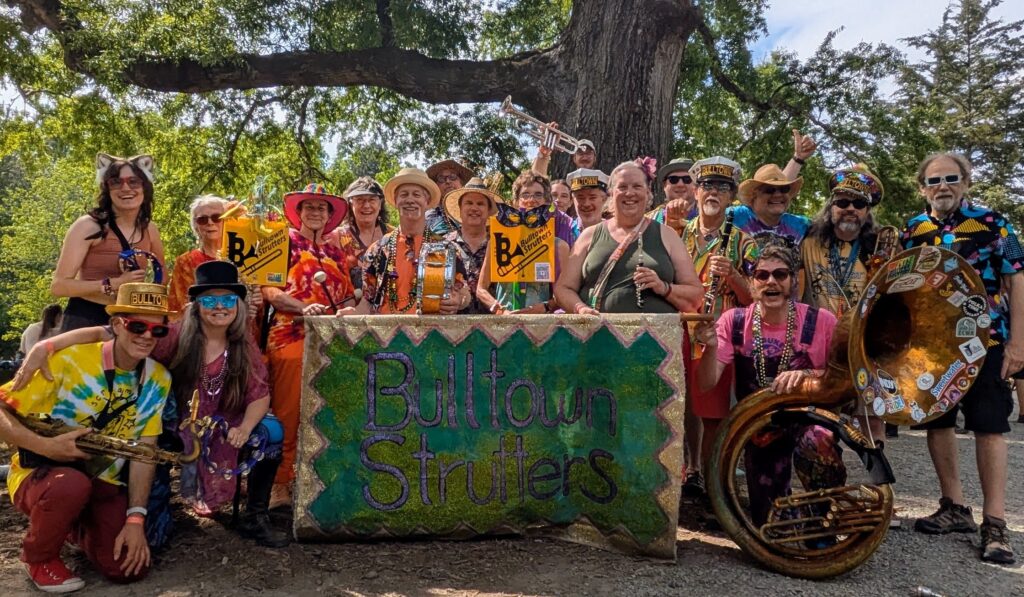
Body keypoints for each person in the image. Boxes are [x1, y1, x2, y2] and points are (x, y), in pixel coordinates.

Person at [16, 262, 290, 549]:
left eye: (228, 300)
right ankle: (146, 507)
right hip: (172, 427)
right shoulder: (173, 334)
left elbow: (259, 395)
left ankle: (255, 517)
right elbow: (104, 333)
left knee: (270, 432)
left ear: (238, 305)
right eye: (209, 299)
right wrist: (45, 347)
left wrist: (245, 427)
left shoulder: (242, 345)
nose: (219, 306)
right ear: (196, 305)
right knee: (155, 538)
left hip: (225, 424)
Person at [0, 283, 172, 591]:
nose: (147, 336)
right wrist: (45, 446)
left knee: (127, 569)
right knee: (71, 485)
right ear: (117, 325)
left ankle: (72, 526)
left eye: (157, 331)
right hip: (42, 475)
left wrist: (136, 519)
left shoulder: (159, 378)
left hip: (103, 482)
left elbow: (145, 450)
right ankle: (37, 557)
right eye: (137, 326)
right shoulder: (67, 360)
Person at [902, 152, 1021, 565]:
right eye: (934, 181)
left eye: (952, 179)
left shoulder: (994, 223)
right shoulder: (913, 229)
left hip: (984, 342)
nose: (943, 187)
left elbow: (1017, 280)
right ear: (923, 188)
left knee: (989, 427)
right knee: (938, 422)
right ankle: (953, 506)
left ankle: (995, 523)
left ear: (966, 182)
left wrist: (1019, 345)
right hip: (932, 348)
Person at [693, 244, 845, 529]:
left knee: (818, 441)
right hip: (761, 429)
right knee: (771, 526)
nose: (771, 281)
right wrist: (710, 346)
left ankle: (822, 518)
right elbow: (706, 383)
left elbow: (843, 380)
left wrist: (809, 373)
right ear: (752, 282)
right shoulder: (734, 321)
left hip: (810, 419)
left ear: (793, 281)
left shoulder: (822, 321)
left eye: (780, 274)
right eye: (762, 275)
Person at [263, 183, 356, 507]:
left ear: (330, 215)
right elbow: (269, 291)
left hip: (331, 337)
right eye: (310, 207)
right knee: (288, 412)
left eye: (322, 208)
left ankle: (320, 481)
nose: (315, 212)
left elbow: (345, 296)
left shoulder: (336, 251)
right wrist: (303, 307)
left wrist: (348, 309)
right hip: (290, 333)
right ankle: (280, 483)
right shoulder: (284, 241)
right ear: (298, 212)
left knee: (329, 411)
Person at [680, 157, 758, 499]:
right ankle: (687, 471)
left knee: (712, 411)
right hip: (679, 328)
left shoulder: (743, 241)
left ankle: (713, 483)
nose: (713, 193)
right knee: (678, 405)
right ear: (696, 192)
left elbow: (757, 297)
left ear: (731, 198)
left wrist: (734, 276)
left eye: (722, 188)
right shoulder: (675, 232)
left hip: (717, 335)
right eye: (707, 186)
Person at [800, 165, 886, 440]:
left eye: (859, 203)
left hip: (865, 345)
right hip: (820, 344)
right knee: (821, 419)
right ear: (831, 206)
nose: (850, 209)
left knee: (871, 419)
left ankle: (878, 482)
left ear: (867, 210)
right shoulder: (808, 240)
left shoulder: (881, 247)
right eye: (842, 202)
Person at [554, 160, 703, 315]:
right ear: (611, 193)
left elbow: (696, 296)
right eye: (622, 187)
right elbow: (563, 289)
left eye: (637, 186)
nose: (630, 193)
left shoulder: (668, 235)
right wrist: (580, 309)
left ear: (647, 191)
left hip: (654, 337)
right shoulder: (589, 235)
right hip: (597, 336)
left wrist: (664, 287)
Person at [52, 154, 164, 331]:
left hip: (131, 322)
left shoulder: (150, 229)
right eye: (116, 182)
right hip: (87, 318)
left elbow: (163, 278)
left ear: (145, 187)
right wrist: (112, 284)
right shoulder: (88, 226)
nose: (125, 188)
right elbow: (59, 286)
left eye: (133, 181)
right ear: (107, 188)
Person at [358, 168, 472, 315]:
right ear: (396, 200)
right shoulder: (378, 249)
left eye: (416, 194)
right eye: (404, 195)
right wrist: (346, 315)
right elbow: (367, 301)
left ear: (427, 201)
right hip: (387, 334)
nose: (410, 200)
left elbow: (465, 292)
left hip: (431, 333)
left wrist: (458, 301)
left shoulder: (446, 247)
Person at [476, 172, 571, 314]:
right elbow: (481, 289)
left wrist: (545, 307)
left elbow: (565, 292)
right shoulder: (498, 240)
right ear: (515, 202)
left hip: (541, 327)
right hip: (503, 325)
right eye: (525, 195)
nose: (531, 200)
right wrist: (496, 308)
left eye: (538, 195)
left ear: (547, 202)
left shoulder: (558, 246)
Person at [443, 178, 500, 314]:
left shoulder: (501, 245)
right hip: (453, 327)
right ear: (461, 209)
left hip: (496, 326)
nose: (474, 208)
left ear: (488, 211)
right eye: (469, 203)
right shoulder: (443, 245)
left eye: (480, 204)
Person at [167, 195, 230, 316]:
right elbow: (178, 308)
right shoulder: (185, 262)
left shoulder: (243, 257)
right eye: (202, 219)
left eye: (217, 217)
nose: (210, 223)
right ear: (195, 226)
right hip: (198, 328)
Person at [733, 163, 809, 247]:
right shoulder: (734, 217)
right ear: (754, 196)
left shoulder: (801, 225)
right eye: (769, 190)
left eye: (784, 189)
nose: (778, 195)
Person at [337, 177, 393, 291]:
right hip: (351, 306)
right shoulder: (337, 236)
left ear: (380, 203)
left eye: (372, 199)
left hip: (389, 306)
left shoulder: (394, 235)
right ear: (350, 203)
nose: (366, 205)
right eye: (360, 200)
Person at [424, 159, 474, 236]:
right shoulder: (427, 217)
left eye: (453, 176)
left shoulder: (476, 212)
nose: (447, 181)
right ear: (436, 186)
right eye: (441, 178)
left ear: (461, 183)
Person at [650, 158, 697, 223]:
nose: (680, 184)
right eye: (673, 179)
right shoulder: (649, 220)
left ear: (696, 186)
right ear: (664, 186)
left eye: (687, 179)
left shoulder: (711, 218)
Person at [566, 168, 610, 237]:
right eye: (581, 198)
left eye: (592, 197)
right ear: (573, 199)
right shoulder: (564, 229)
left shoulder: (613, 232)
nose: (586, 204)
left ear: (604, 199)